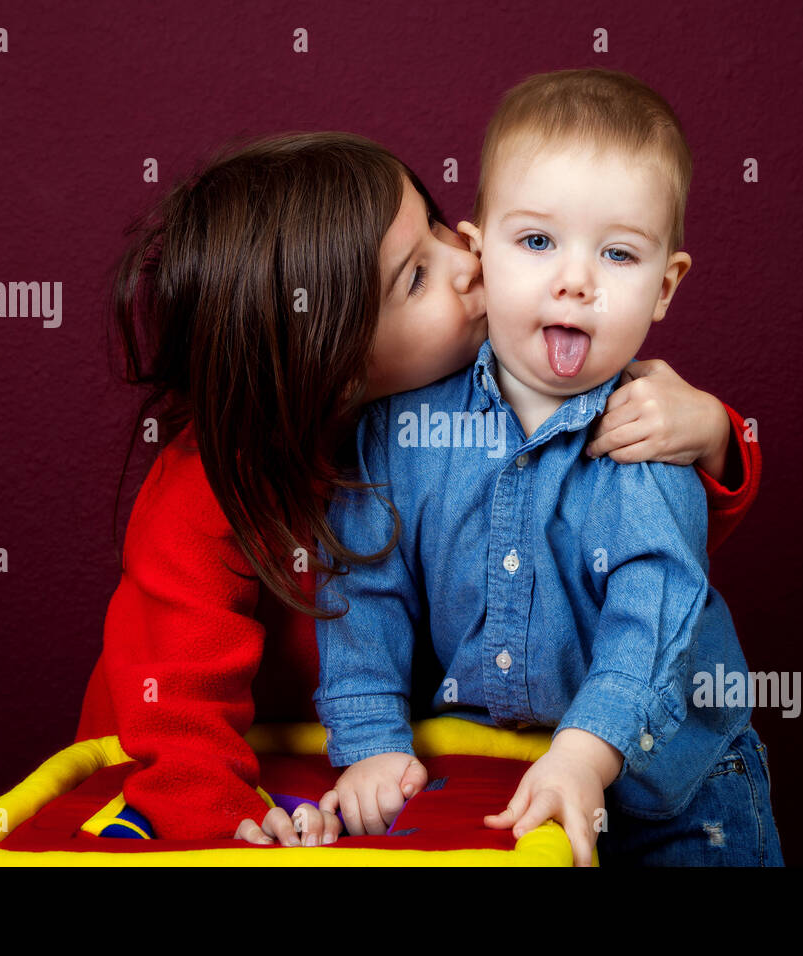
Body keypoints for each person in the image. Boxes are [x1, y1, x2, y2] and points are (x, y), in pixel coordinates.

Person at [73, 128, 764, 848]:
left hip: (387, 776)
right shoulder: (209, 483)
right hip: (197, 777)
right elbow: (174, 700)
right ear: (334, 364)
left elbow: (622, 556)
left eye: (437, 225)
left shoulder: (476, 398)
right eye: (416, 276)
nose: (467, 260)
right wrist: (221, 823)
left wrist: (713, 435)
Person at [314, 70, 781, 866]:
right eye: (536, 242)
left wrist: (585, 750)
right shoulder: (405, 427)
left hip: (676, 790)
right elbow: (364, 586)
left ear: (665, 286)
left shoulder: (645, 429)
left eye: (619, 253)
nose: (575, 279)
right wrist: (368, 743)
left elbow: (654, 610)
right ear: (478, 251)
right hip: (494, 778)